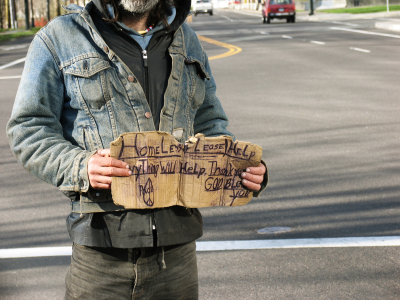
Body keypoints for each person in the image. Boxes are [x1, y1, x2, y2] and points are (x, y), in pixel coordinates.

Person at [7, 0, 267, 298]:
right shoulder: (60, 38)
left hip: (177, 257)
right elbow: (28, 128)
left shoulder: (187, 40)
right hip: (100, 255)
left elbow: (210, 123)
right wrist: (80, 166)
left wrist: (239, 167)